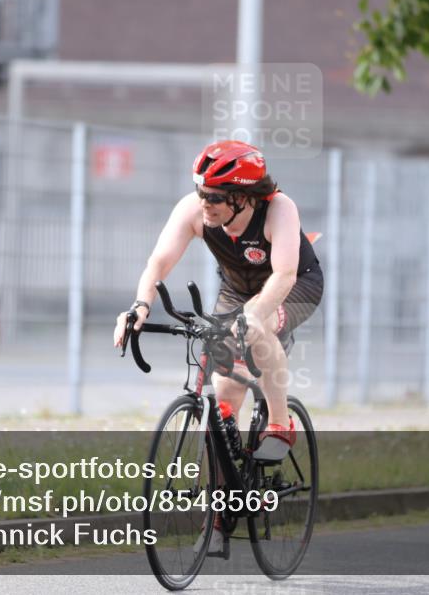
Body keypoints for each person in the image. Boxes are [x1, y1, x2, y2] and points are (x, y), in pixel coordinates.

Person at [113, 139, 323, 461]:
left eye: (214, 197)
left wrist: (256, 315)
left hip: (295, 286)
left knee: (260, 325)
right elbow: (159, 262)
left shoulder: (279, 209)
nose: (204, 203)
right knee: (224, 390)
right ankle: (224, 497)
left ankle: (280, 423)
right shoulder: (193, 211)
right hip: (237, 288)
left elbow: (284, 274)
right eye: (201, 192)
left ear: (242, 197)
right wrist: (140, 305)